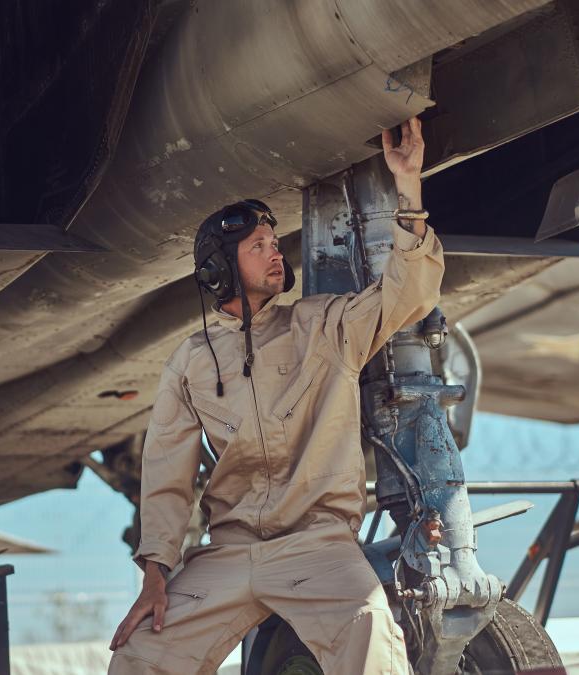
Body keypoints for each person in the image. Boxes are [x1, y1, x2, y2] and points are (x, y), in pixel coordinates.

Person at [108, 117, 444, 674]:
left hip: (319, 547)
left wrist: (408, 186)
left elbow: (407, 293)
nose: (273, 253)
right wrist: (155, 572)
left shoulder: (325, 326)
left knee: (370, 633)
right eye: (257, 245)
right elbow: (167, 474)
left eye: (273, 242)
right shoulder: (191, 361)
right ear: (221, 270)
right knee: (141, 652)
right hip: (230, 554)